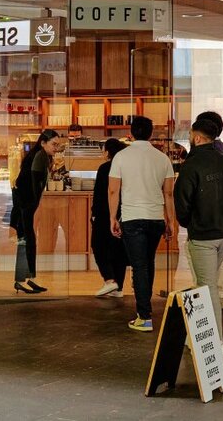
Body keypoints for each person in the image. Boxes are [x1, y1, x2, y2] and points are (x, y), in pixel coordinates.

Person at [174, 118, 223, 358]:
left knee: (206, 286)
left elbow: (181, 203)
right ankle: (202, 338)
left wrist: (189, 224)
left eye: (191, 134)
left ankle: (214, 343)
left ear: (198, 137)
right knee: (208, 283)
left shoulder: (192, 165)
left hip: (203, 235)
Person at [109, 116, 176, 333]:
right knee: (148, 263)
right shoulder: (162, 158)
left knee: (139, 266)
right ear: (151, 133)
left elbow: (113, 190)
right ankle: (144, 310)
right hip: (155, 217)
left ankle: (144, 316)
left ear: (131, 132)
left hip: (132, 217)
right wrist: (170, 220)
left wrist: (113, 217)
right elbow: (168, 193)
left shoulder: (121, 156)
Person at [13, 129, 61, 294]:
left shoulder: (40, 155)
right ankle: (23, 280)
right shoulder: (39, 156)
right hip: (25, 205)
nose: (56, 148)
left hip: (24, 204)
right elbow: (34, 185)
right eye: (53, 144)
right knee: (27, 241)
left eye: (57, 145)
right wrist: (35, 206)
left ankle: (28, 279)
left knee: (27, 241)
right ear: (43, 143)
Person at [195, 110, 223, 310]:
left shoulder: (204, 153)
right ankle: (222, 297)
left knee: (203, 267)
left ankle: (207, 306)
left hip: (206, 221)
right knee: (222, 256)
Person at [91, 138, 129, 298]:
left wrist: (94, 213)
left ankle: (109, 280)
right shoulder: (127, 168)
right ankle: (118, 288)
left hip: (105, 214)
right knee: (118, 249)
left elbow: (100, 194)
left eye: (103, 149)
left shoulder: (105, 168)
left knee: (98, 245)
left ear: (108, 152)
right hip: (124, 213)